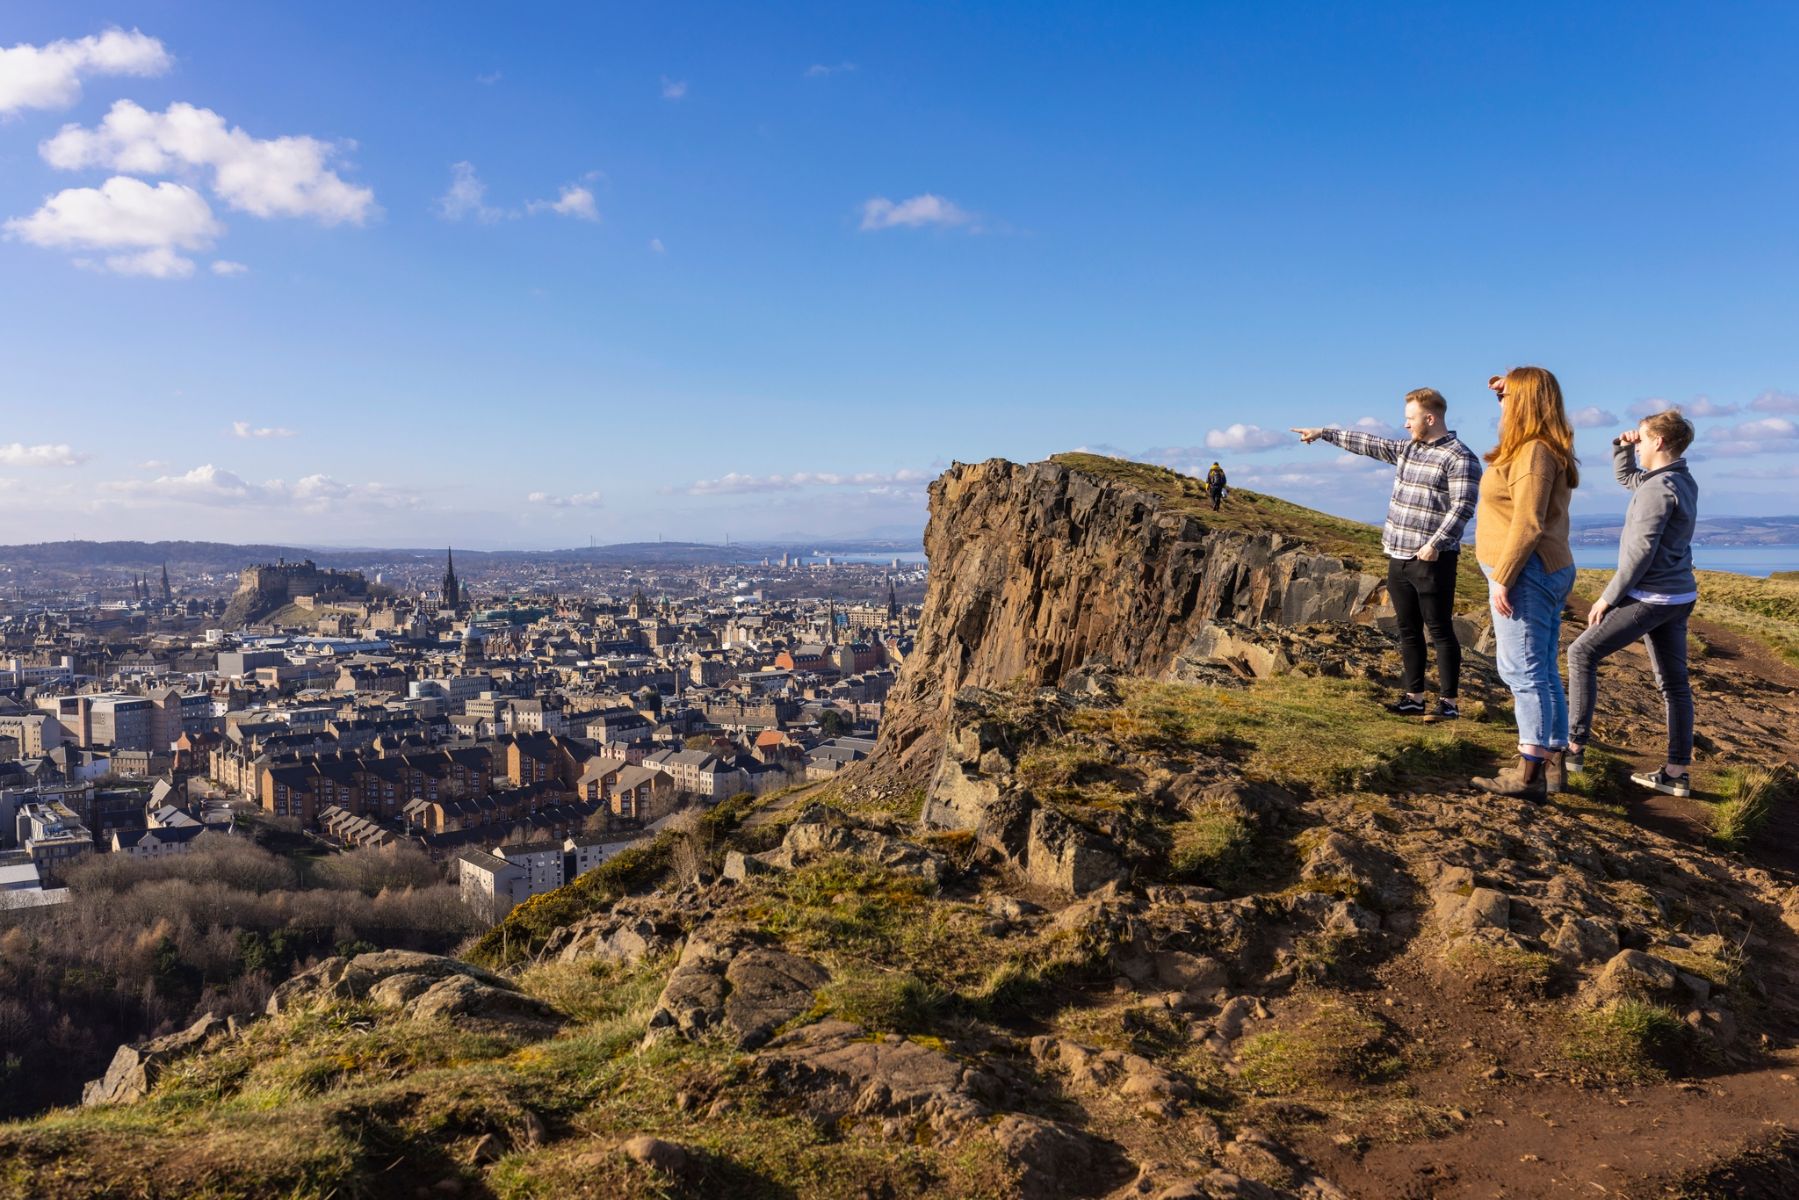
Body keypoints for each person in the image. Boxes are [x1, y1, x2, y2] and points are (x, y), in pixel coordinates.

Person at [1292, 388, 1481, 721]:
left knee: (1438, 630)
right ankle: (1414, 697)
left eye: (1410, 419)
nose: (1406, 425)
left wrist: (1435, 544)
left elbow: (1463, 507)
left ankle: (1448, 703)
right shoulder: (1409, 449)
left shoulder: (1460, 457)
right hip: (1398, 555)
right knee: (1408, 629)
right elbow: (1370, 444)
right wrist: (1324, 434)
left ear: (1430, 418)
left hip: (1432, 560)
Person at [1566, 409, 1698, 797]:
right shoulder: (1680, 479)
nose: (1637, 444)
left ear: (1658, 441)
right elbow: (1629, 479)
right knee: (1675, 685)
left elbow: (1640, 552)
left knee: (1581, 653)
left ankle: (1572, 749)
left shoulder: (1658, 488)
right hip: (1679, 595)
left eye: (1641, 439)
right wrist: (1622, 447)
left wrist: (1608, 597)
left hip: (1652, 598)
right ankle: (1676, 773)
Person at [1469, 366, 1579, 801]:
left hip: (1528, 571)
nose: (1502, 402)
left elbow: (1528, 524)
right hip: (1543, 569)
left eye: (1508, 397)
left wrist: (1503, 579)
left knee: (1521, 671)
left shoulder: (1534, 453)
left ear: (1528, 401)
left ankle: (1527, 774)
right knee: (1543, 669)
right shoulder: (1537, 446)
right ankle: (1552, 763)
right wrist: (1507, 382)